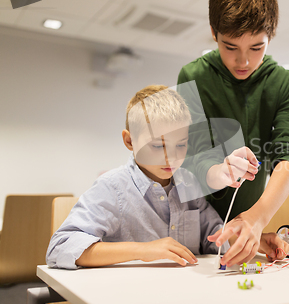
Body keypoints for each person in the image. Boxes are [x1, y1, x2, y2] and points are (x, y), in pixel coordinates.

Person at [177, 0, 289, 267]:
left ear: (271, 36)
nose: (243, 61)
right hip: (192, 226)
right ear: (213, 32)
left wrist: (256, 219)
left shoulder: (283, 83)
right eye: (230, 47)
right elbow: (193, 156)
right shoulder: (192, 77)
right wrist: (219, 171)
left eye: (257, 48)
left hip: (249, 228)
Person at [46, 85, 229, 269]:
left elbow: (214, 236)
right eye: (158, 146)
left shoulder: (188, 184)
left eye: (181, 145)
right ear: (129, 141)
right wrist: (142, 250)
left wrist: (239, 238)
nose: (172, 157)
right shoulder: (112, 188)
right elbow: (60, 247)